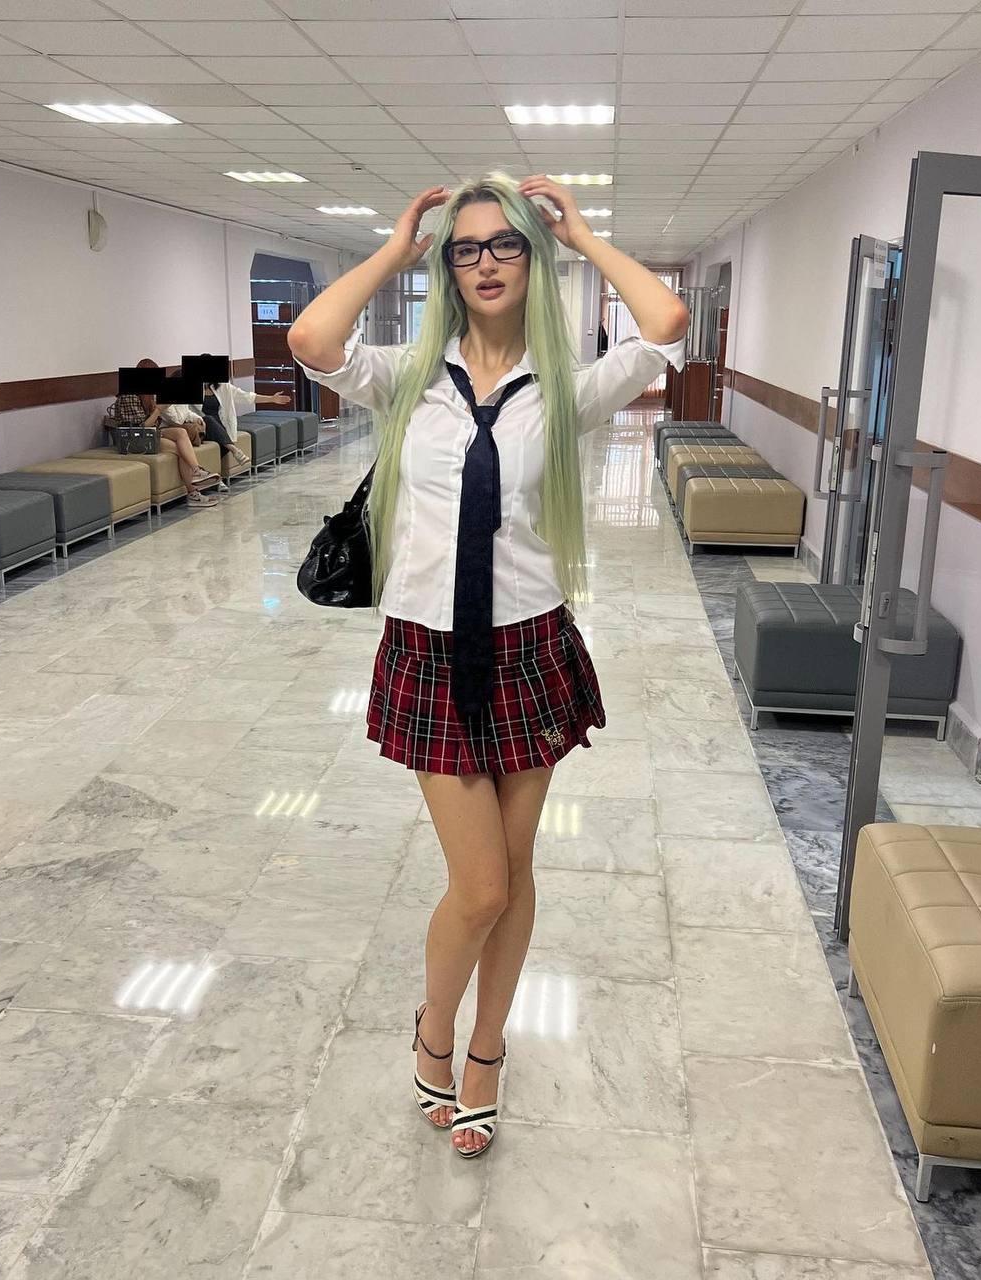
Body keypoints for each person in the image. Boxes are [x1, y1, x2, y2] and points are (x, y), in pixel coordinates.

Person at [287, 174, 688, 1160]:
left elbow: (666, 321)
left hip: (528, 645)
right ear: (448, 267)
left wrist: (583, 236)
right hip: (429, 647)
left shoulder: (566, 388)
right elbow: (311, 339)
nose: (486, 262)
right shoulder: (405, 376)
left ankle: (486, 1050)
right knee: (478, 887)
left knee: (513, 875)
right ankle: (434, 1026)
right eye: (465, 248)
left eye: (506, 244)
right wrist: (396, 246)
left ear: (531, 261)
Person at [109, 360, 220, 508]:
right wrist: (158, 410)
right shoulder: (129, 396)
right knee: (181, 450)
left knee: (181, 432)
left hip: (149, 434)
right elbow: (139, 429)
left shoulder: (148, 395)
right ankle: (194, 493)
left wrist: (158, 411)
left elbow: (154, 425)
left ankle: (197, 471)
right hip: (133, 440)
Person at [196, 356, 291, 458]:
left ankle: (230, 449)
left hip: (222, 428)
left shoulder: (223, 386)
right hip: (203, 429)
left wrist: (272, 399)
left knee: (212, 424)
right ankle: (234, 450)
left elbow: (246, 397)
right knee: (208, 419)